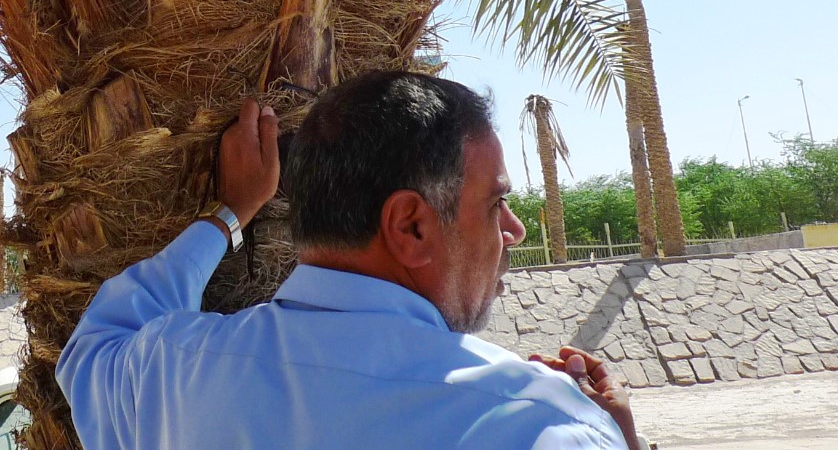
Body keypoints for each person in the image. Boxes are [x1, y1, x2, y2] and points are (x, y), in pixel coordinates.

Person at [57, 71, 642, 449]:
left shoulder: (172, 367)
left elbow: (93, 345)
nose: (513, 230)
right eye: (496, 204)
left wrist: (233, 212)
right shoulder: (539, 426)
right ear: (410, 226)